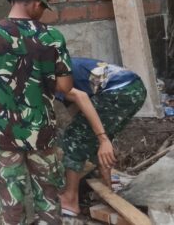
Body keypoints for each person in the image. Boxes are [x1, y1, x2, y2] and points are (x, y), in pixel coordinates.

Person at [0, 0, 74, 225]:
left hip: (5, 131)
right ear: (36, 3)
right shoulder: (53, 36)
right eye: (43, 7)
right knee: (48, 197)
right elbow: (65, 87)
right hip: (42, 131)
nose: (43, 13)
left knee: (12, 202)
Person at [58, 58, 146, 216]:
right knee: (86, 133)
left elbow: (81, 97)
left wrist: (101, 138)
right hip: (135, 87)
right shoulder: (63, 63)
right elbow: (78, 113)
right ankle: (107, 186)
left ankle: (70, 200)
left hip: (118, 91)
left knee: (74, 137)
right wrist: (95, 137)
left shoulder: (47, 74)